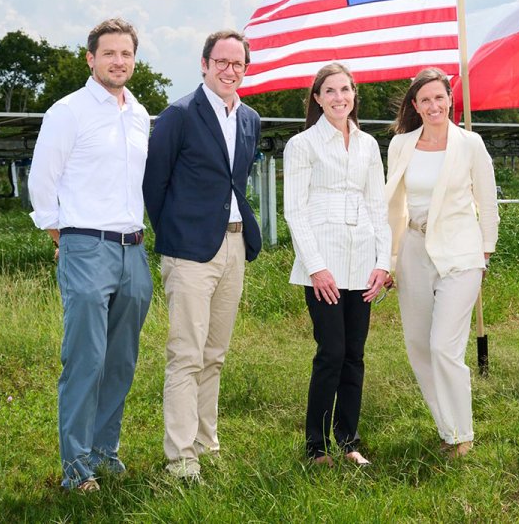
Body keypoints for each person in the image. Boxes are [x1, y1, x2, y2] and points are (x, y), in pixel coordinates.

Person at [28, 17, 153, 493]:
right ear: (91, 58)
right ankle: (76, 466)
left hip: (134, 249)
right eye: (109, 54)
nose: (118, 61)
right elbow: (43, 180)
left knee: (121, 360)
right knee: (86, 359)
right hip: (85, 245)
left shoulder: (140, 114)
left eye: (126, 54)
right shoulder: (69, 111)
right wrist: (63, 237)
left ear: (133, 61)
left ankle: (105, 451)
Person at [143, 29, 262, 482]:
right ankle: (181, 457)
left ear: (245, 69)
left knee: (215, 354)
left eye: (238, 64)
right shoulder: (178, 115)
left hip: (233, 244)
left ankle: (205, 442)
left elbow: (238, 179)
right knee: (186, 355)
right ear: (205, 63)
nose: (230, 70)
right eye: (222, 62)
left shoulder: (249, 118)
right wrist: (176, 233)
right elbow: (155, 184)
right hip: (190, 252)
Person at [385, 67, 498, 459]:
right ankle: (446, 428)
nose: (433, 106)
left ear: (450, 99)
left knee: (443, 346)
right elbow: (394, 206)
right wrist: (391, 257)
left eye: (439, 97)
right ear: (415, 106)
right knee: (418, 345)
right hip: (413, 250)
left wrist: (484, 251)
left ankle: (463, 435)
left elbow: (487, 199)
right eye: (425, 100)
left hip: (460, 253)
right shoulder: (400, 145)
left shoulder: (470, 143)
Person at [283, 63, 390, 466]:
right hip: (323, 263)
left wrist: (383, 263)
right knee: (331, 350)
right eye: (329, 91)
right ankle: (315, 446)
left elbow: (378, 206)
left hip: (362, 261)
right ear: (317, 98)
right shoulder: (303, 145)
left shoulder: (366, 145)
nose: (339, 97)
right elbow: (294, 210)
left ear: (353, 95)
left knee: (355, 354)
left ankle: (348, 441)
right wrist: (316, 267)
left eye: (345, 89)